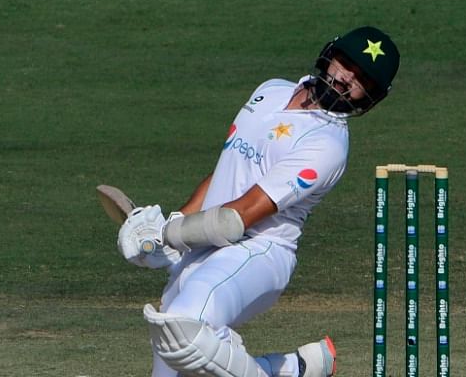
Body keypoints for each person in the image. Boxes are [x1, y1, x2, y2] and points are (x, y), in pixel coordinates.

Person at [116, 26, 400, 377]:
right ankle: (293, 369)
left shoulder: (327, 145)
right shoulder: (271, 89)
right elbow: (225, 172)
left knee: (184, 326)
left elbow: (238, 217)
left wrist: (167, 235)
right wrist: (172, 224)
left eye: (362, 80)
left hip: (259, 251)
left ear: (368, 97)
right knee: (173, 349)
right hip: (205, 245)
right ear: (330, 55)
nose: (346, 78)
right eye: (346, 63)